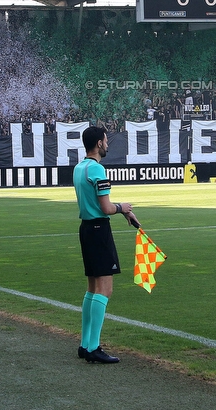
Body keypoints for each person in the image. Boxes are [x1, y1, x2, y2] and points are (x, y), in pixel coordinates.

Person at [74, 126, 140, 364]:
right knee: (105, 289)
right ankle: (93, 347)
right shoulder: (98, 170)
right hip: (99, 230)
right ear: (99, 144)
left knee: (92, 287)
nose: (107, 144)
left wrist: (122, 213)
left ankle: (85, 344)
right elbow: (105, 207)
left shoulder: (79, 168)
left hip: (86, 229)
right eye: (105, 140)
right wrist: (123, 208)